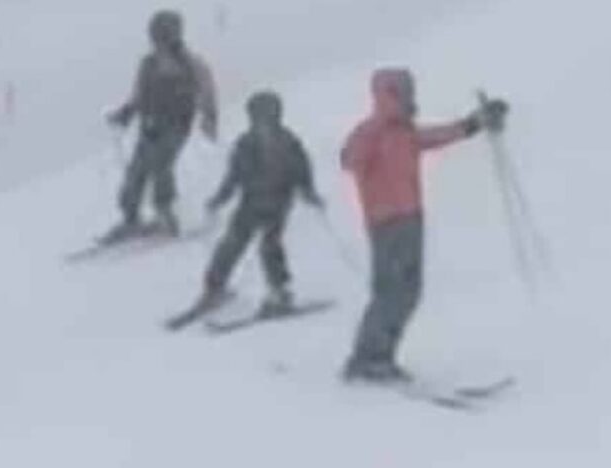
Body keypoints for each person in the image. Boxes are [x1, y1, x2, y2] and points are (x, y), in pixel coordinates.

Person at [339, 70, 508, 382]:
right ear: (388, 95)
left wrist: (475, 122)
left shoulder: (406, 133)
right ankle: (366, 359)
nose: (409, 97)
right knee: (389, 291)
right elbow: (349, 160)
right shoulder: (371, 131)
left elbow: (440, 136)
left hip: (411, 218)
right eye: (402, 91)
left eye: (410, 90)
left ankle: (383, 355)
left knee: (409, 291)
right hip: (385, 222)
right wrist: (363, 144)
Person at [195, 90, 322, 316]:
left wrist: (309, 192)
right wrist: (220, 199)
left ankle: (279, 291)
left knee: (269, 246)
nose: (263, 122)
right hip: (252, 202)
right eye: (259, 116)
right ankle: (215, 287)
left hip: (277, 203)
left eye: (268, 115)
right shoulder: (247, 143)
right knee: (232, 244)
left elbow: (302, 169)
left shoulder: (288, 141)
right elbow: (233, 176)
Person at [105, 9, 219, 242]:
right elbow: (139, 95)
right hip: (150, 127)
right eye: (156, 34)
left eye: (163, 34)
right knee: (136, 172)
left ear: (175, 34)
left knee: (160, 166)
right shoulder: (147, 64)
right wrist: (125, 114)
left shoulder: (190, 63)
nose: (158, 40)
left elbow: (207, 90)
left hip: (175, 126)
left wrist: (209, 118)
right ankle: (130, 217)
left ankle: (166, 212)